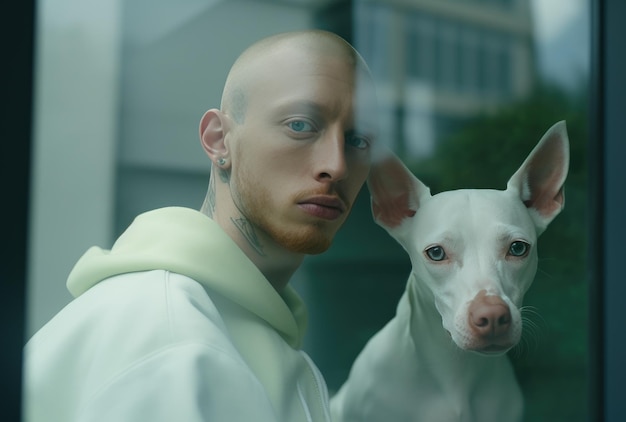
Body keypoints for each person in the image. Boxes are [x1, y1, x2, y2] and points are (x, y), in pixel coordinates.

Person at [23, 29, 379, 421]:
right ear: (218, 140)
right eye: (300, 125)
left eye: (358, 140)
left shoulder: (231, 328)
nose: (337, 165)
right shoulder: (172, 338)